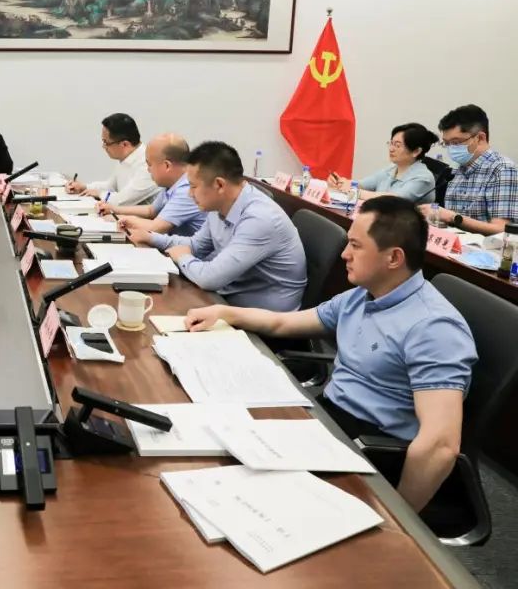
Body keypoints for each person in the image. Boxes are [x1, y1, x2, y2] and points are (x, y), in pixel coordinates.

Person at [186, 196, 476, 512]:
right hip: (331, 421)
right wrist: (225, 313)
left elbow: (440, 446)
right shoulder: (362, 296)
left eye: (356, 246)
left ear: (393, 257)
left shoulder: (434, 327)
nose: (344, 254)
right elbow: (283, 323)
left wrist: (400, 519)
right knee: (225, 447)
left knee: (255, 497)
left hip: (375, 449)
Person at [147, 141, 306, 312]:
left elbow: (210, 278)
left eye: (193, 186)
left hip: (263, 317)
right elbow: (196, 246)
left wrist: (183, 257)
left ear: (219, 185)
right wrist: (150, 237)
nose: (189, 193)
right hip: (229, 298)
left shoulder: (259, 219)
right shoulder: (220, 204)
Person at [422, 104, 518, 235]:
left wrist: (453, 217)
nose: (451, 148)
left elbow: (502, 230)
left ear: (480, 138)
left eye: (456, 142)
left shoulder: (502, 170)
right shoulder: (458, 171)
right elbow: (448, 219)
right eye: (447, 143)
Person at [104, 133, 205, 239]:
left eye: (149, 164)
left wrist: (120, 219)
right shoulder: (172, 183)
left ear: (167, 166)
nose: (148, 170)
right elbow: (151, 211)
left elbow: (156, 227)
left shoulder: (187, 190)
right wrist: (115, 210)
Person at [328, 123, 438, 205]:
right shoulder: (391, 169)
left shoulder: (423, 178)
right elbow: (362, 184)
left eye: (397, 145)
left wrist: (354, 191)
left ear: (416, 151)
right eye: (391, 143)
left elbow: (394, 199)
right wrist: (342, 182)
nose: (391, 149)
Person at [65, 113, 158, 206]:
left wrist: (99, 194)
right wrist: (84, 187)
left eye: (106, 142)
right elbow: (111, 187)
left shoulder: (148, 164)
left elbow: (122, 201)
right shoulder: (126, 157)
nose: (103, 146)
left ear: (124, 144)